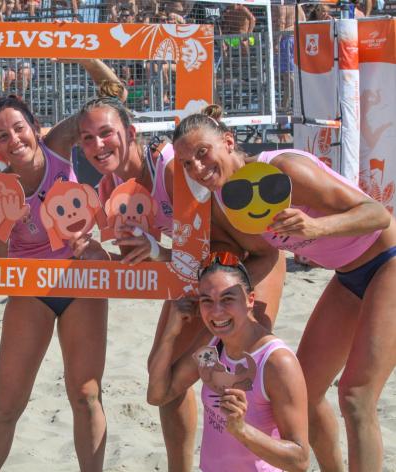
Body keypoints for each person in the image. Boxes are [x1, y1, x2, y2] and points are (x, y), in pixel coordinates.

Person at [172, 105, 396, 471]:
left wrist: (317, 227)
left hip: (388, 260)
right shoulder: (225, 204)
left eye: (202, 152)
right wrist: (211, 295)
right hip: (347, 276)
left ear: (228, 142)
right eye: (187, 163)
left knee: (356, 397)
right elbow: (263, 255)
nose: (197, 167)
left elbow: (377, 215)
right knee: (307, 393)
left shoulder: (285, 170)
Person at [75, 95, 285, 472]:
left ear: (130, 132)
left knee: (249, 375)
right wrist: (103, 258)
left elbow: (229, 243)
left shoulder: (172, 168)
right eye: (87, 138)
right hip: (200, 274)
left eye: (106, 133)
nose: (97, 144)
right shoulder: (110, 190)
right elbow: (149, 260)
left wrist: (160, 251)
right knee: (168, 380)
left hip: (252, 261)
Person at [0, 60, 119, 472]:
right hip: (31, 287)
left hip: (80, 279)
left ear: (35, 127)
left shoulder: (56, 145)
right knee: (6, 404)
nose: (13, 139)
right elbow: (2, 267)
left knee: (86, 396)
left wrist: (81, 53)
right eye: (2, 136)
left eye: (19, 128)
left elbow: (113, 94)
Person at [147, 253, 310, 472]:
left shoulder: (276, 362)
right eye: (207, 300)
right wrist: (170, 333)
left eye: (227, 299)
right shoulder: (212, 343)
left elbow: (300, 460)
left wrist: (242, 430)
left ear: (250, 300)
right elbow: (158, 395)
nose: (217, 312)